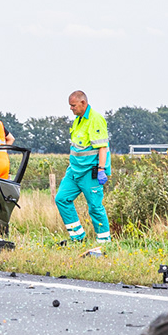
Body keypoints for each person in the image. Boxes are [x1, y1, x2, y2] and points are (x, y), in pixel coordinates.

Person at [55, 89, 111, 246]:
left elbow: (102, 147)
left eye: (73, 105)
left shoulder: (95, 119)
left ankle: (104, 242)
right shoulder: (78, 120)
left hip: (89, 172)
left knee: (95, 207)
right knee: (61, 199)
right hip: (74, 171)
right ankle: (78, 238)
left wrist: (101, 170)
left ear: (83, 103)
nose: (71, 108)